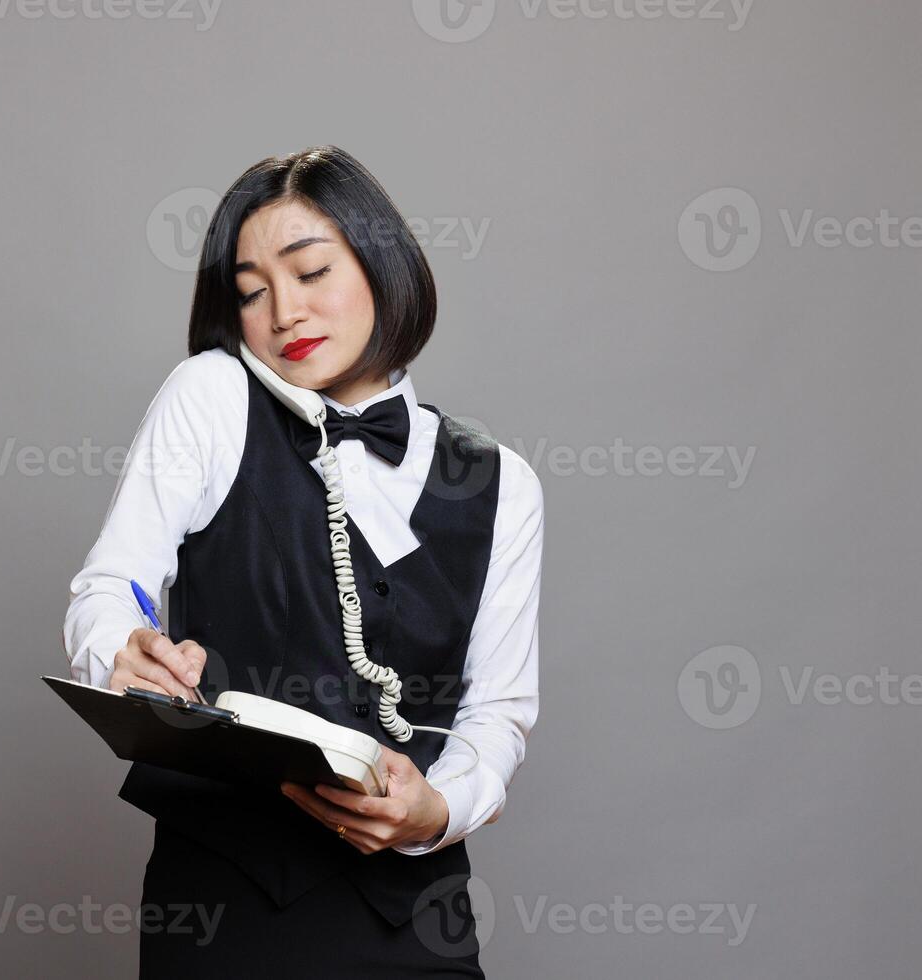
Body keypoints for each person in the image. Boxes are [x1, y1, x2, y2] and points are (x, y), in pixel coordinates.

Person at [62, 145, 543, 977]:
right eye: (252, 291)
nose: (283, 312)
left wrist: (435, 812)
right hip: (227, 902)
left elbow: (496, 714)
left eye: (311, 271)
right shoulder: (211, 397)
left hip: (417, 913)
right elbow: (111, 588)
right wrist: (123, 647)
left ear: (380, 264)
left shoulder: (503, 483)